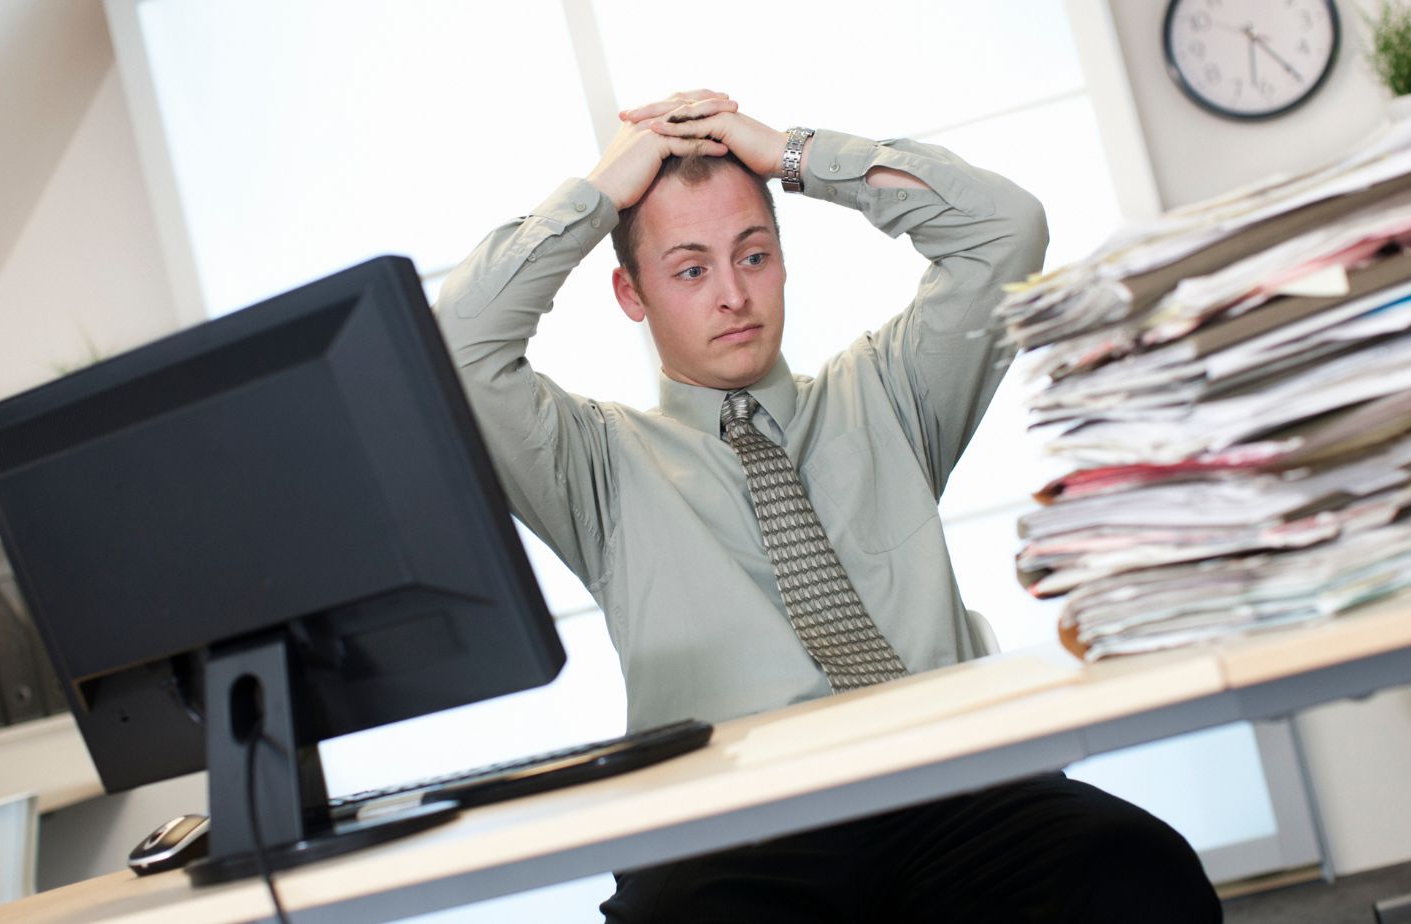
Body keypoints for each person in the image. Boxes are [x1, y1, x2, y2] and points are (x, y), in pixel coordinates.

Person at [437, 91, 1221, 922]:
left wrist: (793, 155)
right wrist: (601, 191)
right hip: (736, 834)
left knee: (1136, 872)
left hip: (958, 786)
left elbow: (1006, 229)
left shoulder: (888, 392)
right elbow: (458, 344)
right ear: (633, 295)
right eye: (691, 269)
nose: (734, 296)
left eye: (753, 255)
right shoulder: (592, 462)